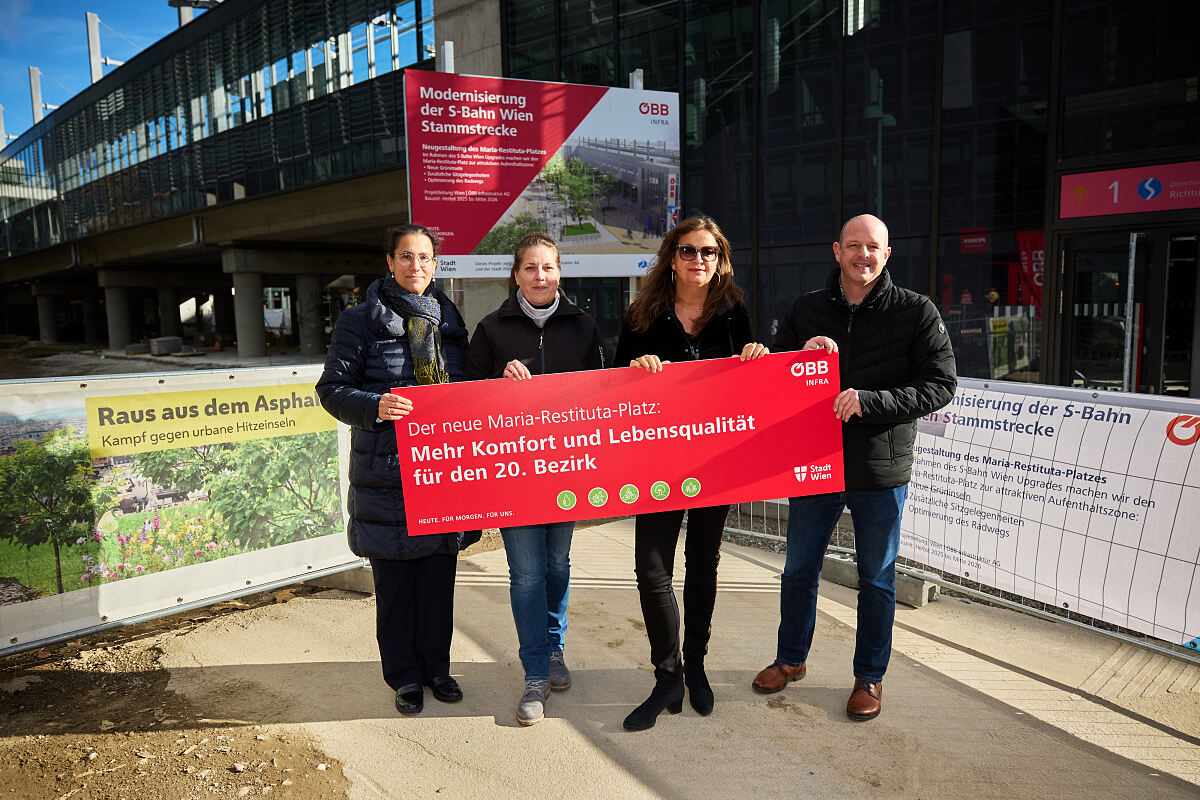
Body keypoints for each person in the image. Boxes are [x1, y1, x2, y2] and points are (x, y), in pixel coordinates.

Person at [752, 213, 956, 721]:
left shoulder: (917, 312)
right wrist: (798, 355)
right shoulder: (807, 309)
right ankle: (791, 659)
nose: (862, 255)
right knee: (798, 570)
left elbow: (942, 385)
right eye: (853, 246)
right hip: (815, 465)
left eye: (873, 247)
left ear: (886, 255)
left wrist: (873, 401)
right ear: (836, 250)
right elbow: (777, 377)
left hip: (879, 468)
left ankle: (870, 677)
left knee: (877, 579)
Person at [614, 215, 770, 731]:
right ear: (671, 257)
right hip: (656, 463)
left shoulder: (733, 313)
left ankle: (696, 666)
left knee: (702, 564)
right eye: (687, 251)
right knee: (652, 569)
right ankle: (667, 677)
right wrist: (635, 371)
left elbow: (749, 390)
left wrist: (756, 357)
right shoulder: (641, 315)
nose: (697, 259)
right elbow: (613, 388)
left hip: (713, 463)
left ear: (720, 258)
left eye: (708, 251)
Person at [316, 223, 477, 716]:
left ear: (435, 263)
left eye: (425, 258)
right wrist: (375, 405)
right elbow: (331, 389)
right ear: (389, 262)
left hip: (440, 472)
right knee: (395, 589)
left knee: (437, 581)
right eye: (406, 257)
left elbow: (467, 387)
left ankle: (436, 668)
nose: (417, 267)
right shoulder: (359, 319)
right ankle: (405, 677)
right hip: (385, 474)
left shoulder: (448, 316)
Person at [464, 233, 606, 726]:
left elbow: (603, 399)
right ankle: (535, 673)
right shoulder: (491, 328)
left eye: (548, 268)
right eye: (530, 268)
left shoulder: (583, 327)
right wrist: (498, 384)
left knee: (556, 563)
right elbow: (466, 398)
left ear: (560, 272)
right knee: (525, 573)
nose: (539, 276)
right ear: (516, 274)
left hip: (565, 469)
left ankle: (554, 648)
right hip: (513, 474)